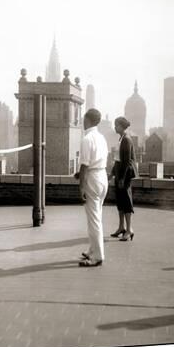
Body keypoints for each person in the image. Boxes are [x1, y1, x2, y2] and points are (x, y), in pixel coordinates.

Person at [75, 109, 109, 267]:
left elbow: (84, 165)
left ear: (87, 120)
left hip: (92, 180)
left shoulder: (87, 139)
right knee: (97, 216)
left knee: (94, 220)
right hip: (102, 177)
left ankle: (98, 256)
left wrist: (81, 186)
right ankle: (92, 250)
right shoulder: (101, 138)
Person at [109, 116, 137, 242]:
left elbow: (126, 162)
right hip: (119, 173)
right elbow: (117, 159)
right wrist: (112, 174)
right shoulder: (121, 139)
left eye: (117, 125)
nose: (115, 127)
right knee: (120, 201)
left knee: (126, 201)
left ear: (121, 126)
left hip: (125, 174)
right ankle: (121, 227)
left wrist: (122, 178)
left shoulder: (126, 139)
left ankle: (129, 229)